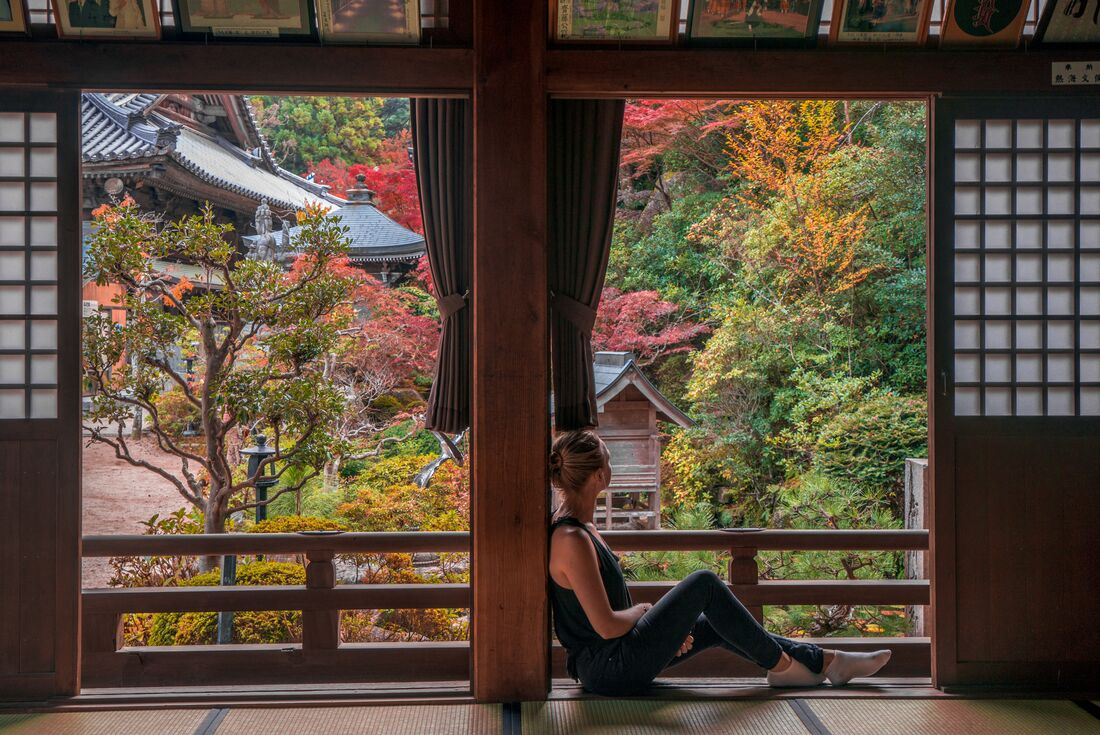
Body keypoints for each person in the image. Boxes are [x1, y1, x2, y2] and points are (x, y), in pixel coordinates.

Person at [548, 428, 892, 696]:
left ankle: (827, 661)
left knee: (711, 623)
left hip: (619, 655)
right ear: (598, 476)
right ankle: (786, 667)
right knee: (704, 583)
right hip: (608, 668)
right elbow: (607, 626)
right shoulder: (571, 539)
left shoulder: (583, 529)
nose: (612, 467)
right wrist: (645, 613)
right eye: (609, 461)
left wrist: (665, 634)